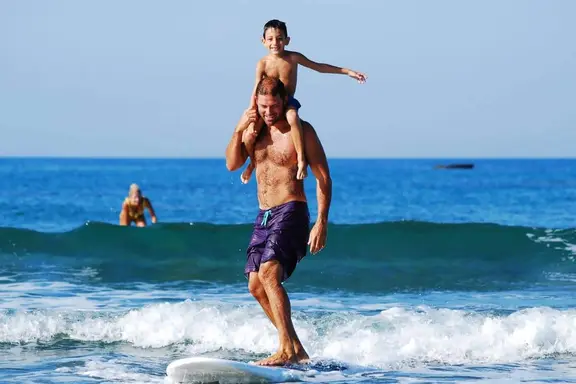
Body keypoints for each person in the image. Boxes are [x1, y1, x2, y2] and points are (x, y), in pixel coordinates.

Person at [225, 77, 332, 366]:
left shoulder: (301, 132)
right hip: (264, 215)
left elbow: (323, 177)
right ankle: (296, 349)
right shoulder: (255, 131)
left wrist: (321, 221)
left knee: (270, 274)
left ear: (284, 102)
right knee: (255, 286)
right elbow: (232, 163)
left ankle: (285, 349)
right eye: (262, 107)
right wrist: (239, 128)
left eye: (273, 106)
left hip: (292, 209)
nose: (268, 112)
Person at [240, 19, 366, 184]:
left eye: (279, 38)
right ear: (263, 41)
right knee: (249, 134)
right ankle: (252, 163)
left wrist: (347, 71)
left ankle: (301, 160)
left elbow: (319, 67)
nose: (275, 43)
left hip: (287, 102)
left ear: (287, 40)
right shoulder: (262, 63)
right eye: (270, 39)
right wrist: (252, 109)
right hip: (268, 104)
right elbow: (256, 88)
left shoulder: (293, 58)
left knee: (292, 118)